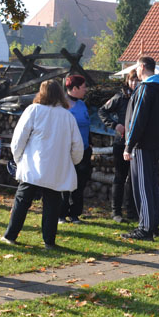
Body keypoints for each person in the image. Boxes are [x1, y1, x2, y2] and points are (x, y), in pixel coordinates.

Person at [1, 80, 83, 249]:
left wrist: (18, 159)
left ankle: (10, 235)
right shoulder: (67, 116)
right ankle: (49, 241)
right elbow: (77, 146)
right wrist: (71, 163)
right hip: (55, 168)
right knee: (52, 205)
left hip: (32, 166)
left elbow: (18, 139)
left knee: (22, 202)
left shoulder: (34, 110)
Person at [122, 56, 159, 241]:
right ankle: (153, 224)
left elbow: (137, 121)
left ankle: (146, 228)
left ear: (142, 67)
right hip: (154, 143)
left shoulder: (146, 88)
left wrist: (129, 145)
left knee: (142, 187)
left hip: (142, 145)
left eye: (137, 68)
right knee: (150, 185)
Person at [98, 69, 139, 223]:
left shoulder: (142, 97)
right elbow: (102, 111)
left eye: (137, 80)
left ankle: (132, 211)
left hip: (137, 144)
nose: (134, 83)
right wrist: (115, 125)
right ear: (127, 81)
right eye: (131, 80)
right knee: (120, 177)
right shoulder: (120, 97)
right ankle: (116, 212)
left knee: (133, 179)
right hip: (121, 142)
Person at [59, 75, 92, 225]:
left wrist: (90, 145)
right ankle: (61, 214)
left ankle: (75, 214)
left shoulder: (83, 105)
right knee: (65, 182)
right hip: (66, 152)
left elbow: (87, 127)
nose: (86, 90)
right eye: (83, 87)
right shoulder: (61, 106)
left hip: (83, 151)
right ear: (75, 88)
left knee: (80, 183)